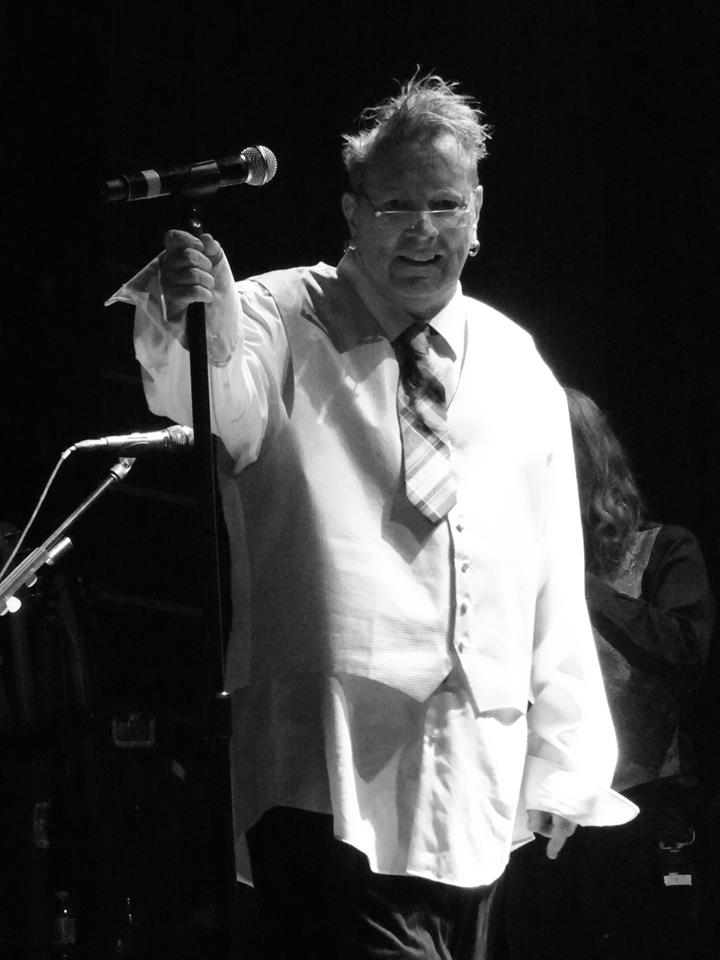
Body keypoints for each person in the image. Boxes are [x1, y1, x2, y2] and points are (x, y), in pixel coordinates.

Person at [106, 75, 636, 959]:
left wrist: (568, 753)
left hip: (475, 781)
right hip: (327, 768)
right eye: (395, 206)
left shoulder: (516, 363)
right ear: (353, 213)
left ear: (476, 213)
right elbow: (213, 394)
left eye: (444, 204)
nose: (422, 229)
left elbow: (550, 571)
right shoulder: (279, 313)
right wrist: (189, 313)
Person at [500, 387, 715, 959]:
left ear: (583, 463)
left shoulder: (665, 549)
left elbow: (685, 652)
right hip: (536, 817)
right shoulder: (510, 567)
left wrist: (579, 585)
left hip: (644, 814)